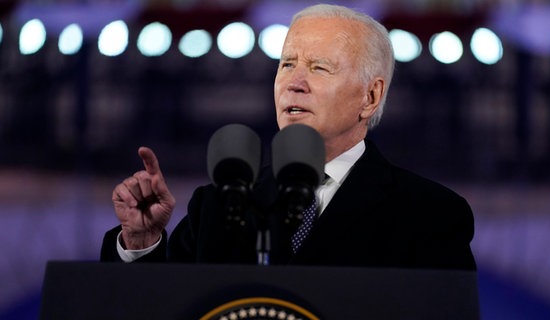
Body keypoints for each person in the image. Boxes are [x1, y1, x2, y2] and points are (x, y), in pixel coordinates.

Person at [101, 4, 476, 270]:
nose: (294, 83)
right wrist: (140, 243)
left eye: (319, 68)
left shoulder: (430, 215)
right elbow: (150, 306)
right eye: (287, 64)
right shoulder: (216, 208)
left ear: (370, 96)